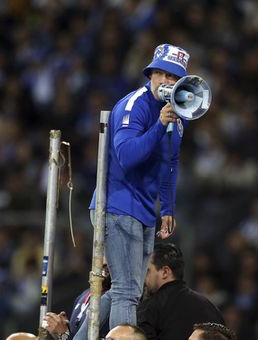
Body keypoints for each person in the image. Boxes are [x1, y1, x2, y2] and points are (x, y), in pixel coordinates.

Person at [89, 43, 190, 329]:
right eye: (163, 75)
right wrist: (158, 125)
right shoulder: (135, 106)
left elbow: (170, 162)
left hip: (143, 210)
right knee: (127, 291)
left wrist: (168, 207)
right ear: (152, 75)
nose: (168, 82)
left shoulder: (176, 116)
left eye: (174, 78)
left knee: (126, 289)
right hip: (118, 205)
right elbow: (127, 156)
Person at [137, 243, 225, 340]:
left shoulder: (150, 307)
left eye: (147, 271)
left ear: (165, 272)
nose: (143, 278)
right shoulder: (210, 307)